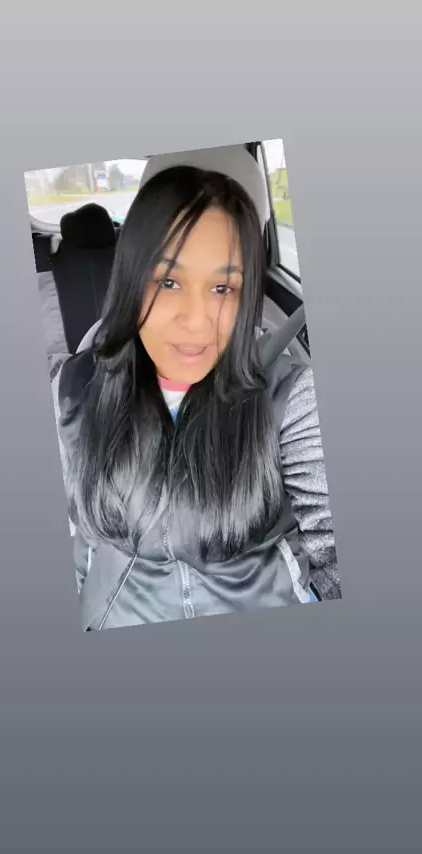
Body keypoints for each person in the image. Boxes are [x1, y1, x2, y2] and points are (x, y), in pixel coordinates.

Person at [52, 164, 341, 631]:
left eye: (222, 288)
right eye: (168, 282)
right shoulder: (73, 392)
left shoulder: (290, 401)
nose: (197, 320)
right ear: (131, 282)